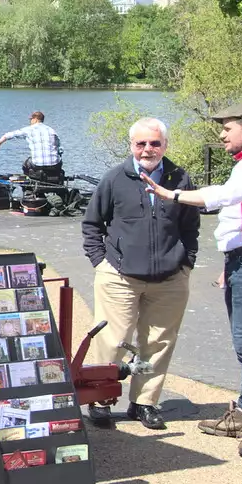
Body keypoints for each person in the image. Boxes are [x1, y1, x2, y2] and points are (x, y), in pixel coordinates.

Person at [141, 104, 242, 459]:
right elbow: (237, 216)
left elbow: (225, 197)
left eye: (229, 128)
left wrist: (171, 195)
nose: (222, 135)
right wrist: (233, 258)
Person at [80, 118, 199, 430]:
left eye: (155, 143)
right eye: (141, 144)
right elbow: (92, 224)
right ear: (131, 146)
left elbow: (190, 227)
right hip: (119, 276)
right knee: (113, 340)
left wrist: (187, 263)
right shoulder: (115, 178)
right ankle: (101, 400)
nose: (148, 149)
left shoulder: (179, 178)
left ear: (165, 146)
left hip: (170, 277)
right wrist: (100, 262)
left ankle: (144, 402)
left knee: (158, 341)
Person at [0, 110, 64, 183]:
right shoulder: (51, 130)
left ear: (35, 119)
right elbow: (59, 147)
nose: (30, 121)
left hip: (37, 165)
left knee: (26, 163)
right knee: (58, 159)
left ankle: (28, 187)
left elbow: (8, 135)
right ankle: (56, 181)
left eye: (31, 119)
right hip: (55, 165)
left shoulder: (29, 129)